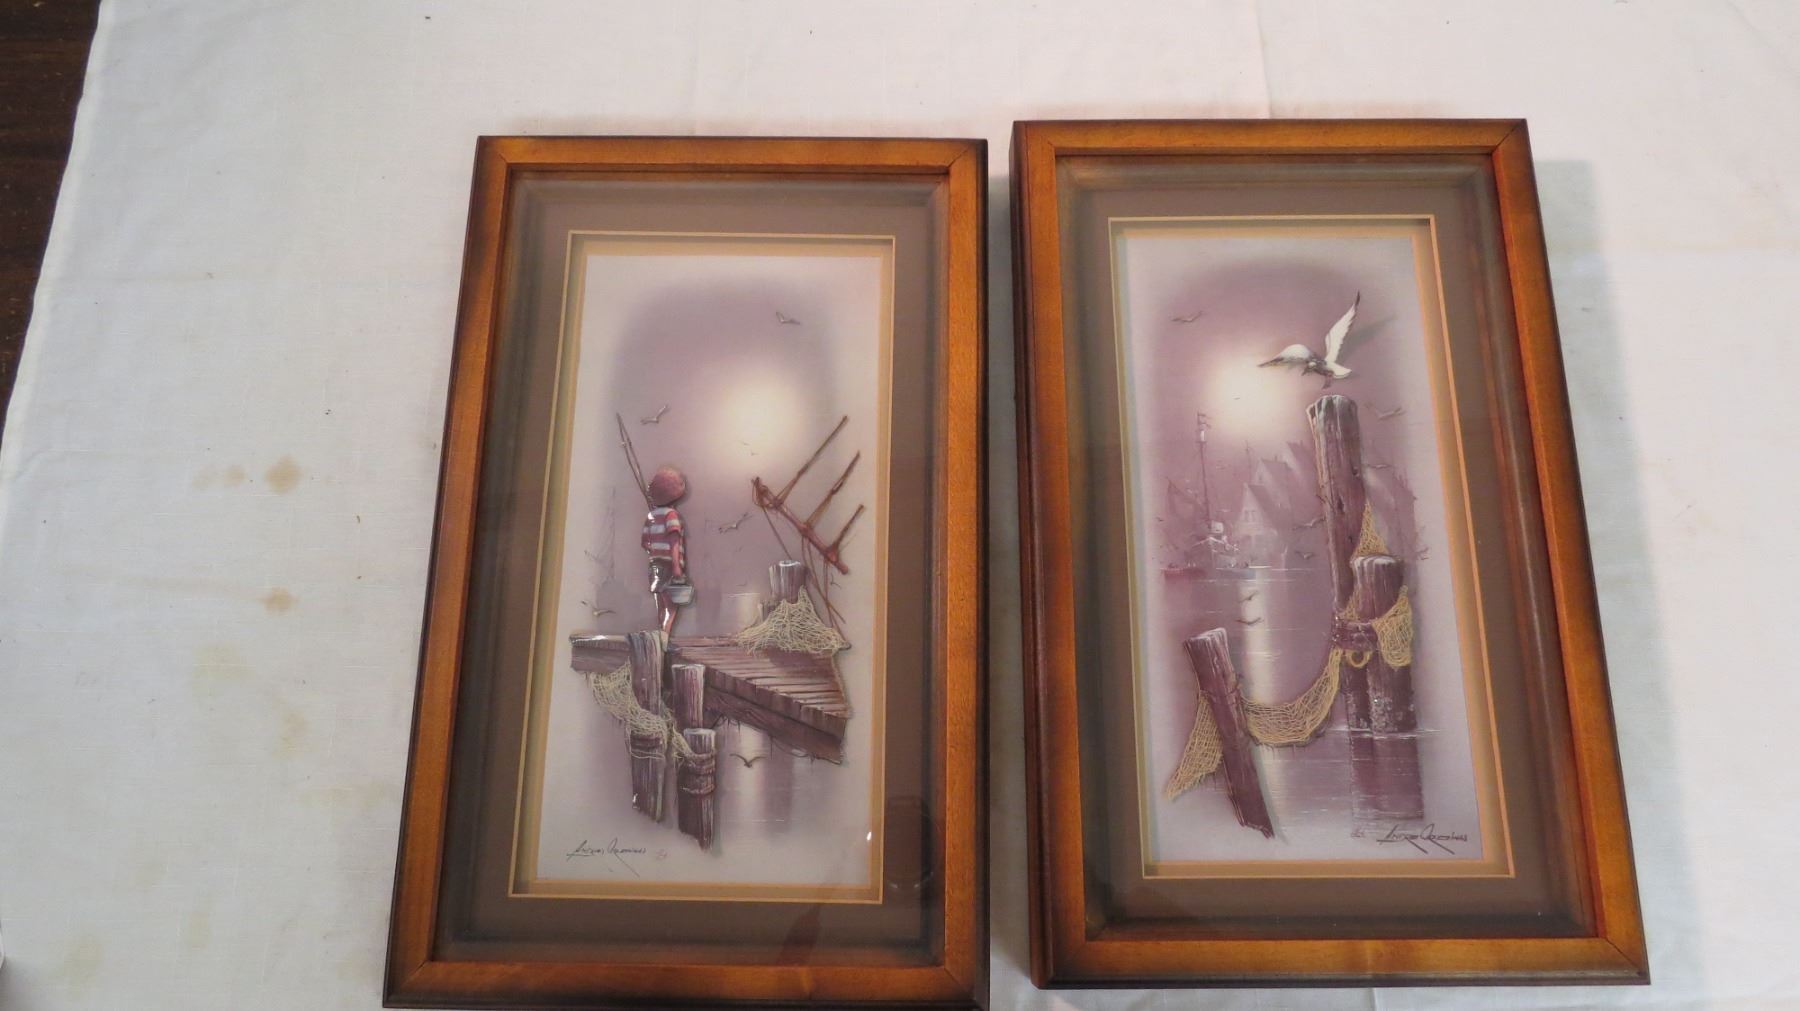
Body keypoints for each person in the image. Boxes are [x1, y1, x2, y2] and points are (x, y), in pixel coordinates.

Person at [641, 465, 691, 636]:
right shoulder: (672, 515)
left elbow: (645, 543)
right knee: (671, 608)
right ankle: (663, 640)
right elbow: (674, 542)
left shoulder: (651, 516)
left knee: (660, 607)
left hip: (654, 566)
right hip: (669, 566)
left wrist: (655, 553)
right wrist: (677, 568)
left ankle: (659, 638)